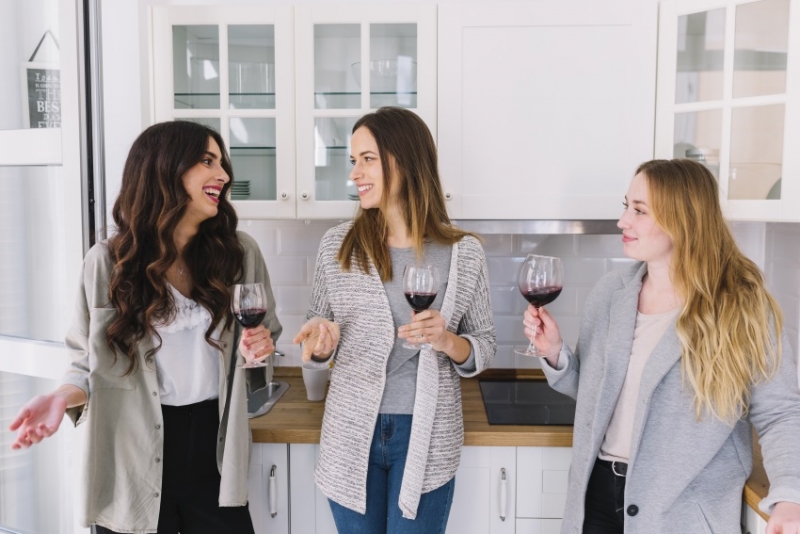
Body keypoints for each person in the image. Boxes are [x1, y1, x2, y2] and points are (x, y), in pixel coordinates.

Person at [8, 121, 281, 534]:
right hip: (131, 456)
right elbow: (86, 362)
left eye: (222, 162)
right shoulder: (106, 263)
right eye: (207, 161)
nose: (223, 174)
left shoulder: (240, 253)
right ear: (165, 170)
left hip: (216, 452)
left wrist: (258, 352)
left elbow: (265, 345)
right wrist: (62, 397)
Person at [522, 159, 800, 533]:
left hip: (682, 510)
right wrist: (555, 353)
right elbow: (594, 393)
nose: (623, 221)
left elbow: (780, 414)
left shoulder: (743, 307)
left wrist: (789, 498)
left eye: (639, 211)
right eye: (626, 206)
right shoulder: (610, 294)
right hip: (596, 497)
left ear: (682, 220)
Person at [293, 106, 496, 533]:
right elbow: (316, 330)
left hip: (428, 434)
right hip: (351, 434)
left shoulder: (464, 252)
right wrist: (320, 342)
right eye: (353, 161)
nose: (355, 173)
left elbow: (483, 346)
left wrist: (447, 341)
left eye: (367, 159)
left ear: (404, 159)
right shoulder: (337, 246)